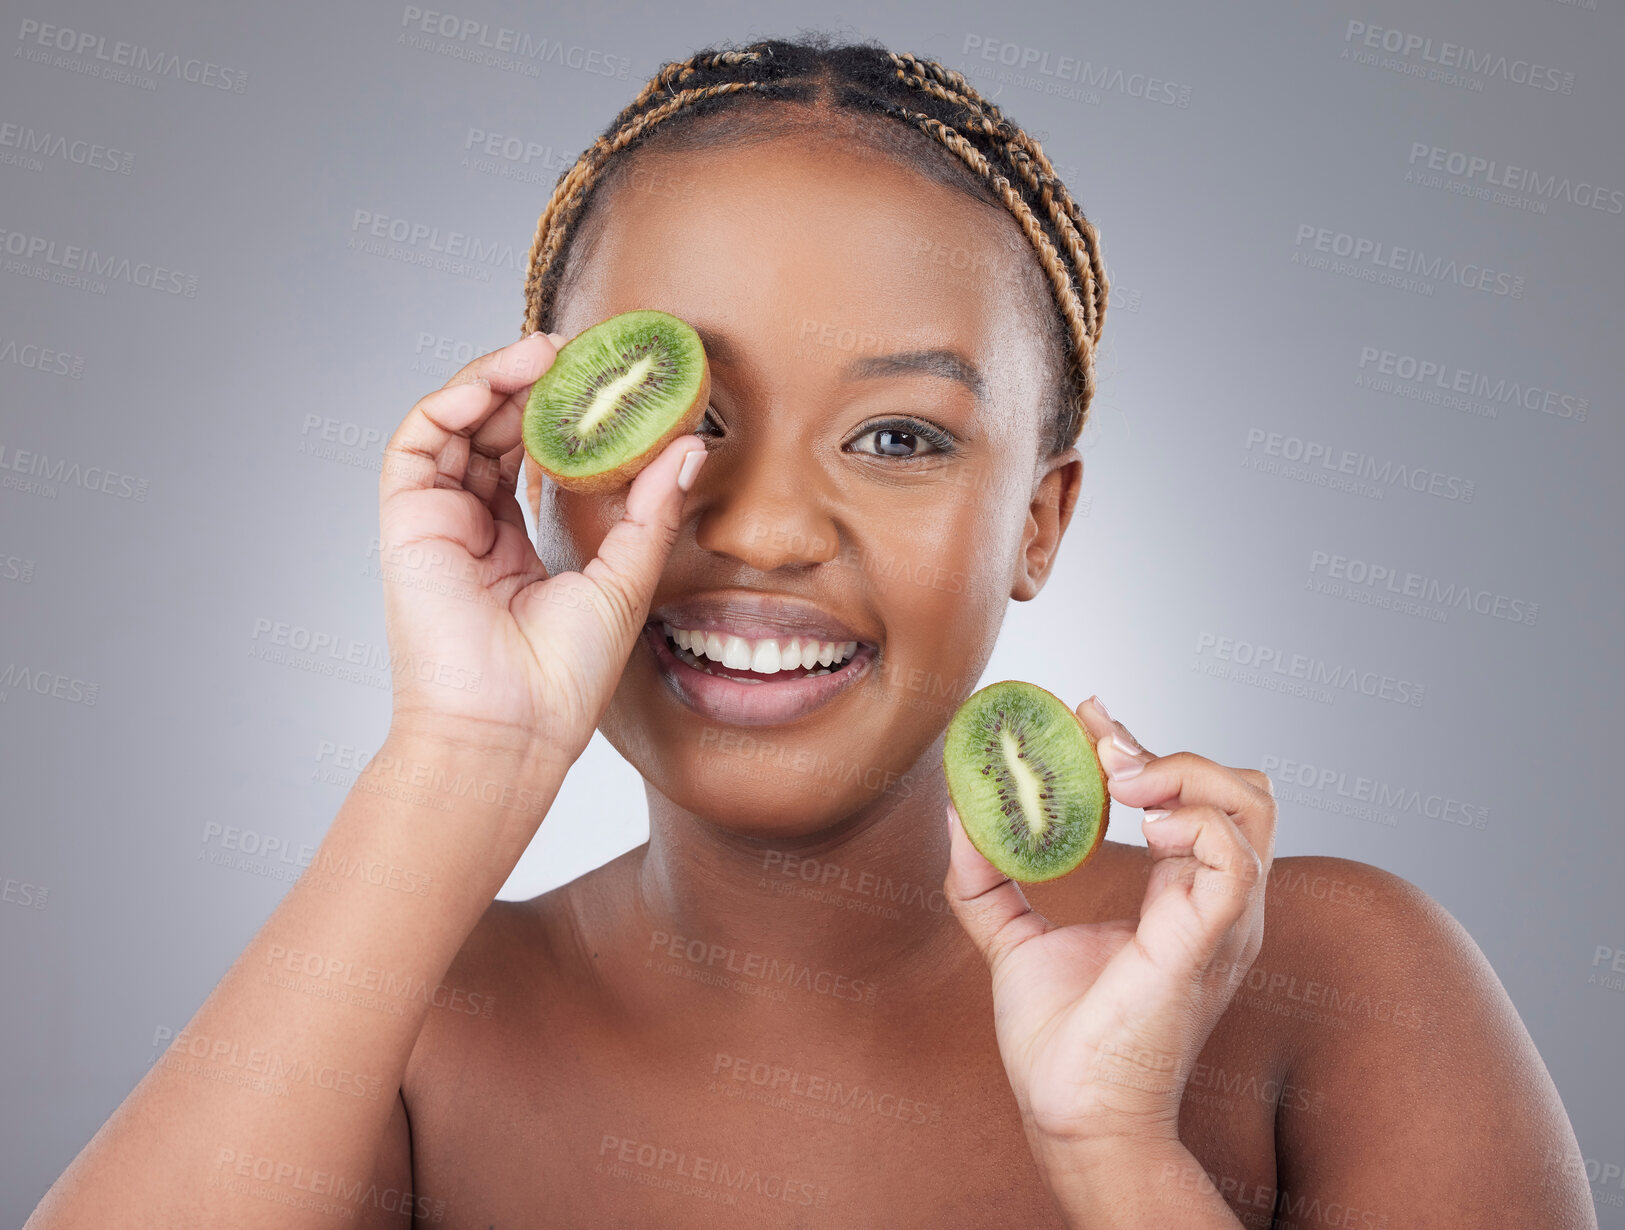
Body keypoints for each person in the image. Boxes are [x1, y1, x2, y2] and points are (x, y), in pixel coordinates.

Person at [27, 34, 1596, 1229]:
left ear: (1038, 523)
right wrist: (463, 748)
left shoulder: (1331, 985)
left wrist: (1115, 1152)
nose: (765, 526)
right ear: (550, 453)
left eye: (900, 436)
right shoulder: (408, 1033)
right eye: (678, 416)